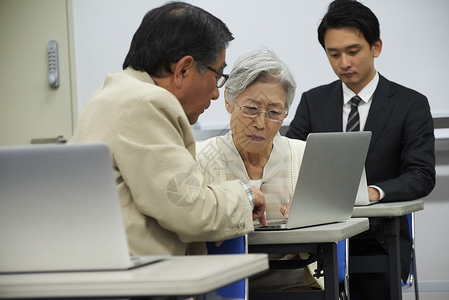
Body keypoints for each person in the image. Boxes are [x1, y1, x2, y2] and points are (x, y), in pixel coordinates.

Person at [69, 1, 267, 257]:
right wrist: (245, 195)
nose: (217, 93)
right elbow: (190, 210)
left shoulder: (111, 95)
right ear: (183, 69)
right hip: (142, 283)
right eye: (217, 77)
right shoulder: (146, 103)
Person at [286, 0, 436, 299]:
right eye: (334, 54)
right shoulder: (313, 102)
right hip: (316, 235)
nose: (344, 62)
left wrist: (374, 192)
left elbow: (421, 175)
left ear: (375, 47)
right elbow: (288, 159)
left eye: (353, 51)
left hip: (379, 238)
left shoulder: (410, 104)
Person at [196, 49, 322, 290]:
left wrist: (313, 215)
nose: (260, 123)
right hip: (222, 287)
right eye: (251, 109)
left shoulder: (305, 156)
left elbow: (337, 218)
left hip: (297, 285)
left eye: (274, 113)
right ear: (229, 102)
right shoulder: (201, 159)